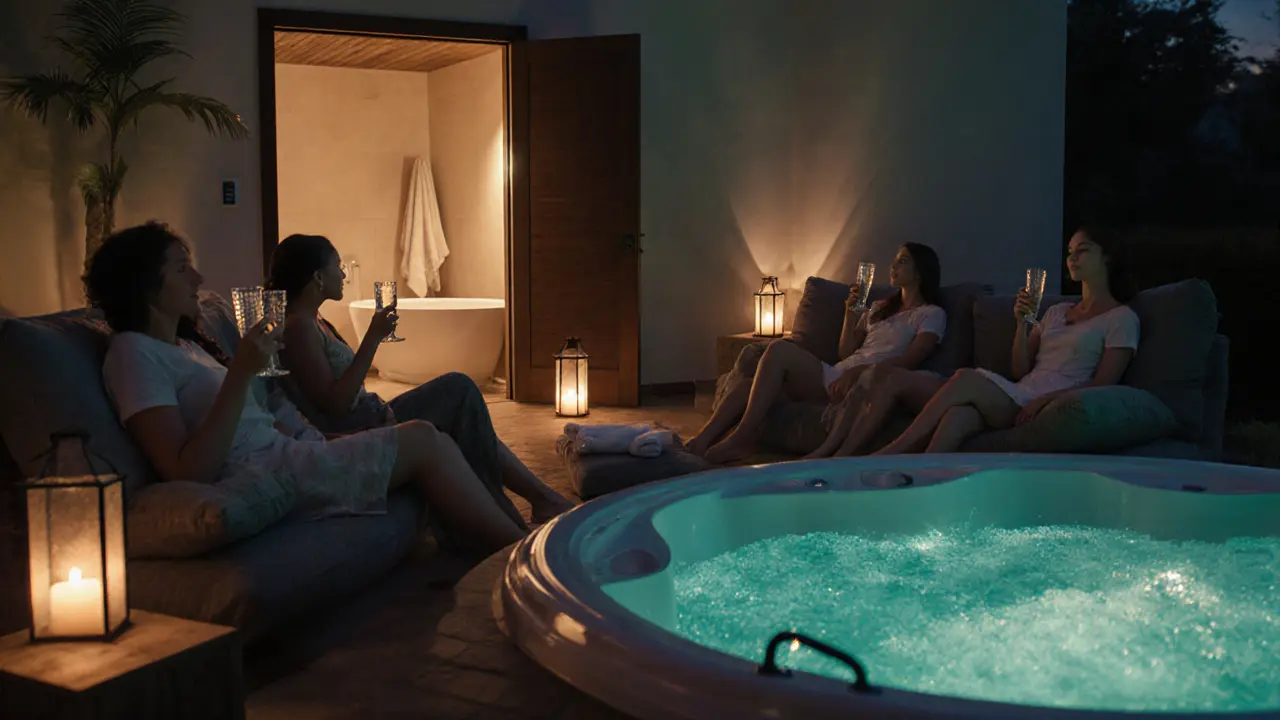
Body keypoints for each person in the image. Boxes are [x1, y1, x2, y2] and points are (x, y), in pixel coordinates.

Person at [88, 222, 529, 557]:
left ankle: (518, 541)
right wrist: (242, 373)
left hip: (293, 452)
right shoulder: (132, 355)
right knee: (426, 438)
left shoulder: (184, 347)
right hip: (271, 474)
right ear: (145, 284)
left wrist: (316, 435)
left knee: (430, 430)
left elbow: (262, 420)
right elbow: (186, 472)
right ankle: (521, 557)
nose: (199, 279)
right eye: (183, 270)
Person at [266, 234, 573, 524]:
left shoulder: (313, 321)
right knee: (458, 389)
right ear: (318, 277)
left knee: (465, 410)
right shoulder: (299, 328)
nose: (344, 275)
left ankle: (533, 500)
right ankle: (510, 511)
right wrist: (372, 338)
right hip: (360, 428)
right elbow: (335, 407)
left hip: (372, 414)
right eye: (338, 267)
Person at [837, 225, 1139, 457]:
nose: (1072, 257)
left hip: (1049, 399)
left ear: (1107, 257)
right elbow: (1020, 370)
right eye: (1070, 251)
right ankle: (921, 485)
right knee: (958, 416)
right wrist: (1022, 325)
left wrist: (1046, 400)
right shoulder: (1057, 311)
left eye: (1082, 250)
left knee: (965, 378)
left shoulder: (1121, 318)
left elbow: (1104, 383)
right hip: (1021, 390)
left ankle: (889, 455)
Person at [687, 243, 947, 464]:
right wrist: (850, 313)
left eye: (902, 261)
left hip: (869, 381)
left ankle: (741, 438)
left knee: (779, 351)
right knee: (749, 383)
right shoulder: (880, 307)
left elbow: (911, 359)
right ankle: (701, 440)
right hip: (840, 373)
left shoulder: (931, 314)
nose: (893, 266)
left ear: (920, 272)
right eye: (894, 260)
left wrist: (859, 372)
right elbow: (846, 351)